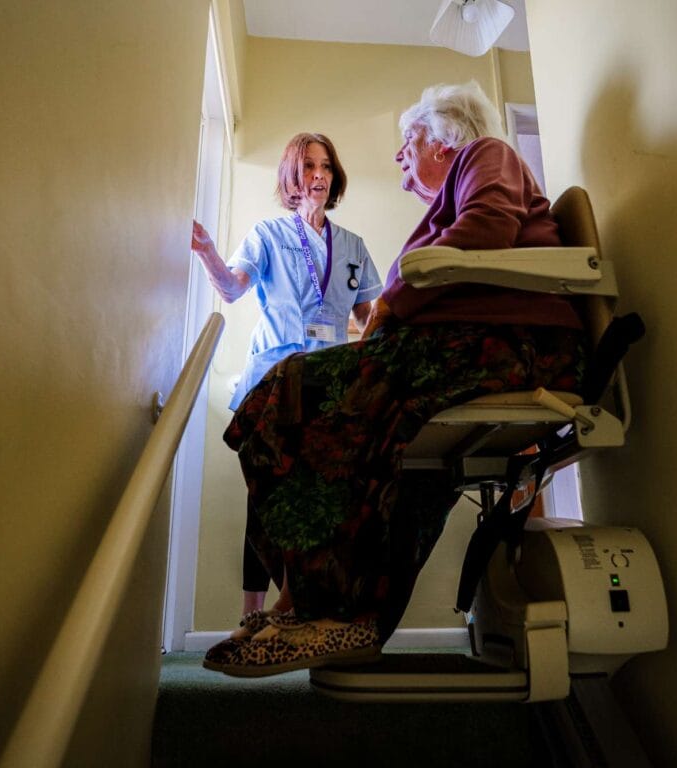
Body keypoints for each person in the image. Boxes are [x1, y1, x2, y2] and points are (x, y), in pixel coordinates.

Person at [202, 81, 588, 677]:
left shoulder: (485, 154)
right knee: (291, 409)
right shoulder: (438, 199)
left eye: (408, 142)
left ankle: (317, 606)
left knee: (288, 394)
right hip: (465, 350)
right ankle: (329, 611)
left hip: (512, 346)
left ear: (442, 137)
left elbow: (484, 233)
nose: (398, 157)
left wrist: (391, 305)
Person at [191, 133, 382, 634]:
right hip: (274, 385)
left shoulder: (355, 248)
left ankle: (314, 614)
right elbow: (233, 289)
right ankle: (252, 618)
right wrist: (209, 251)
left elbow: (371, 320)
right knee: (266, 504)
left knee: (326, 503)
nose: (319, 175)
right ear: (292, 178)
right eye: (308, 167)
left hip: (330, 389)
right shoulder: (269, 234)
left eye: (326, 167)